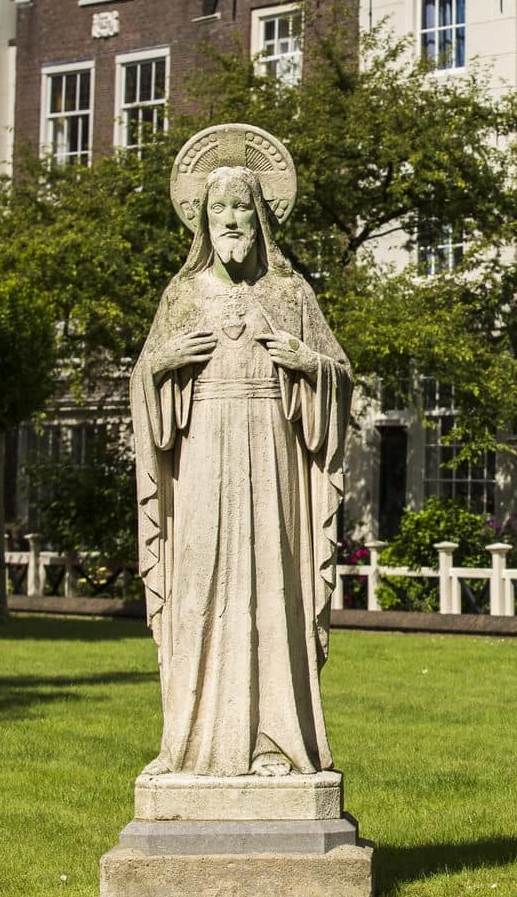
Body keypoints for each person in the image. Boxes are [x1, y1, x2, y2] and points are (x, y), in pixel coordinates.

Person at [131, 129, 352, 777]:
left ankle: (272, 739)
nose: (232, 220)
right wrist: (164, 362)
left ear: (261, 218)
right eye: (220, 209)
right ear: (202, 217)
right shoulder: (182, 296)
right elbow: (144, 384)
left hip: (271, 457)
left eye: (243, 209)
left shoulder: (292, 295)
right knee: (198, 584)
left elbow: (339, 374)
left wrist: (309, 364)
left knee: (270, 589)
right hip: (201, 459)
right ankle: (194, 743)